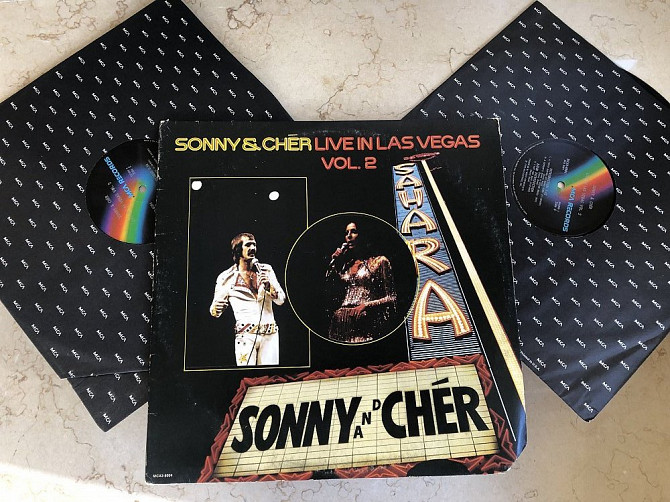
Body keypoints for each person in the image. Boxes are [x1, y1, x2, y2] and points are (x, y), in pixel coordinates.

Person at [210, 232, 285, 365]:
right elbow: (214, 311)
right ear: (238, 249)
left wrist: (270, 287)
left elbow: (281, 300)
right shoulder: (226, 277)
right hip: (245, 337)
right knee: (247, 374)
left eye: (254, 245)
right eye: (248, 245)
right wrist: (217, 308)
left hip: (270, 336)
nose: (253, 248)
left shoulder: (266, 270)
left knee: (270, 374)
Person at [326, 221, 397, 343]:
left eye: (354, 231)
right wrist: (335, 262)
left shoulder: (379, 261)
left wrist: (366, 306)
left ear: (364, 235)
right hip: (341, 323)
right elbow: (329, 286)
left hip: (364, 323)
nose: (349, 236)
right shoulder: (346, 266)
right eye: (346, 233)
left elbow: (391, 297)